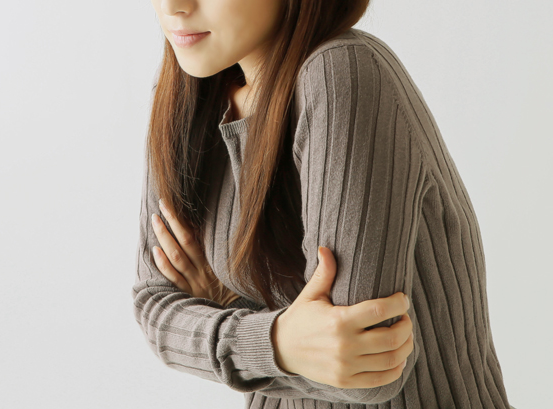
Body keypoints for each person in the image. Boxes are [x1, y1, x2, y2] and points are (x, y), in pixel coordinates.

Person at [132, 0, 515, 408]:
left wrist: (249, 329)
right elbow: (155, 307)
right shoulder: (186, 90)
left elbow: (365, 372)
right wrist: (276, 340)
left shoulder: (341, 73)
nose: (172, 6)